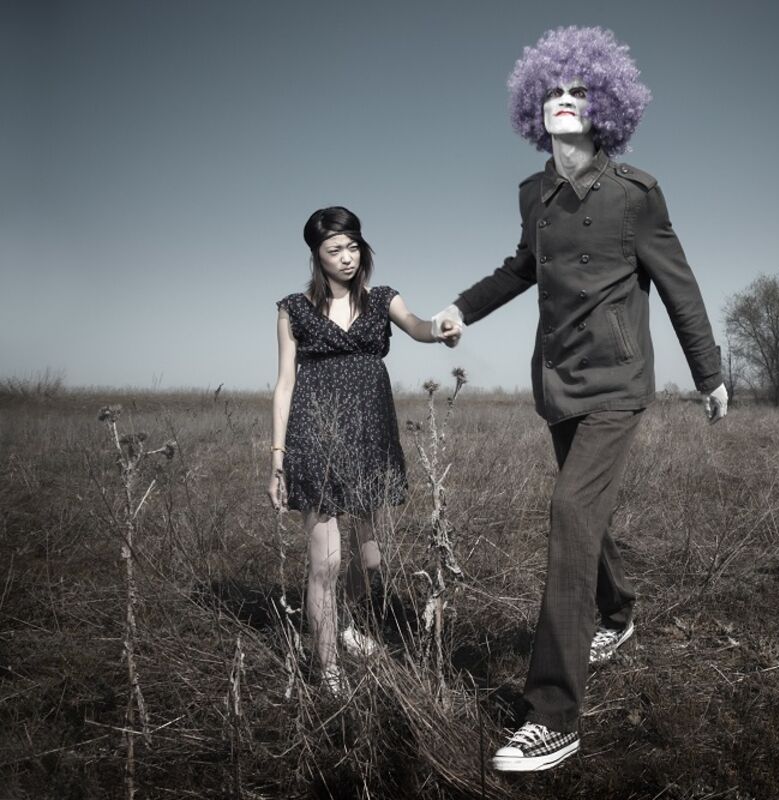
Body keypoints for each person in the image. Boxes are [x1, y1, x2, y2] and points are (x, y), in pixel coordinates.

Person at [430, 26, 728, 771]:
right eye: (554, 91)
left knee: (569, 512)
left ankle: (554, 715)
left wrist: (709, 374)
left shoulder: (636, 194)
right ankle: (617, 613)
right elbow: (520, 268)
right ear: (535, 107)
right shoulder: (533, 194)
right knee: (583, 509)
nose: (565, 100)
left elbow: (679, 286)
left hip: (617, 383)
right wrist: (463, 307)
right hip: (558, 380)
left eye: (580, 91)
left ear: (607, 109)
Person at [269, 206, 460, 695]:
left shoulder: (381, 300)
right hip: (315, 438)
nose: (347, 257)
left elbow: (417, 325)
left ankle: (348, 623)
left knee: (369, 560)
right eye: (335, 249)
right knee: (326, 563)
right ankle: (328, 669)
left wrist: (440, 328)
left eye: (353, 246)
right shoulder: (293, 309)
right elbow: (285, 384)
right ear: (317, 255)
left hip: (371, 440)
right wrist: (278, 457)